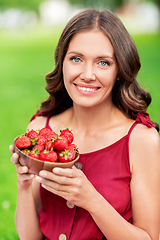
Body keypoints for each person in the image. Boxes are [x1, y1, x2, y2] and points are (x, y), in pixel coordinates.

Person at [9, 8, 160, 240]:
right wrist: (24, 184)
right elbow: (30, 236)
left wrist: (91, 199)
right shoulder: (41, 130)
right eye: (76, 59)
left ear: (120, 70)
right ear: (62, 63)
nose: (87, 74)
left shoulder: (140, 140)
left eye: (103, 63)